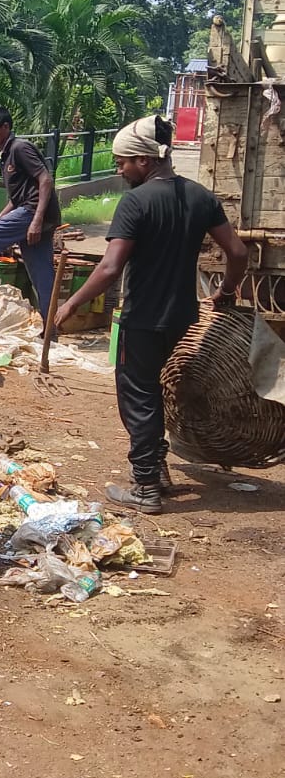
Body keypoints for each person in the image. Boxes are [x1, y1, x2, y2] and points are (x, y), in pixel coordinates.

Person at [54, 114, 247, 514]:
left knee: (139, 397)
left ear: (145, 160)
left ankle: (145, 487)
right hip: (183, 318)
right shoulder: (200, 196)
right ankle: (157, 471)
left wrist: (69, 305)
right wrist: (226, 291)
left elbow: (110, 268)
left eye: (123, 162)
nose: (120, 170)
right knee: (159, 392)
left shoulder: (136, 202)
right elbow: (239, 252)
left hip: (141, 319)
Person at [0, 106, 60, 321]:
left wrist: (36, 220)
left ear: (6, 127)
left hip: (32, 211)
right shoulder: (6, 153)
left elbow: (45, 179)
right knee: (41, 272)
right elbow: (16, 198)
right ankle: (50, 327)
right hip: (30, 211)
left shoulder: (19, 148)